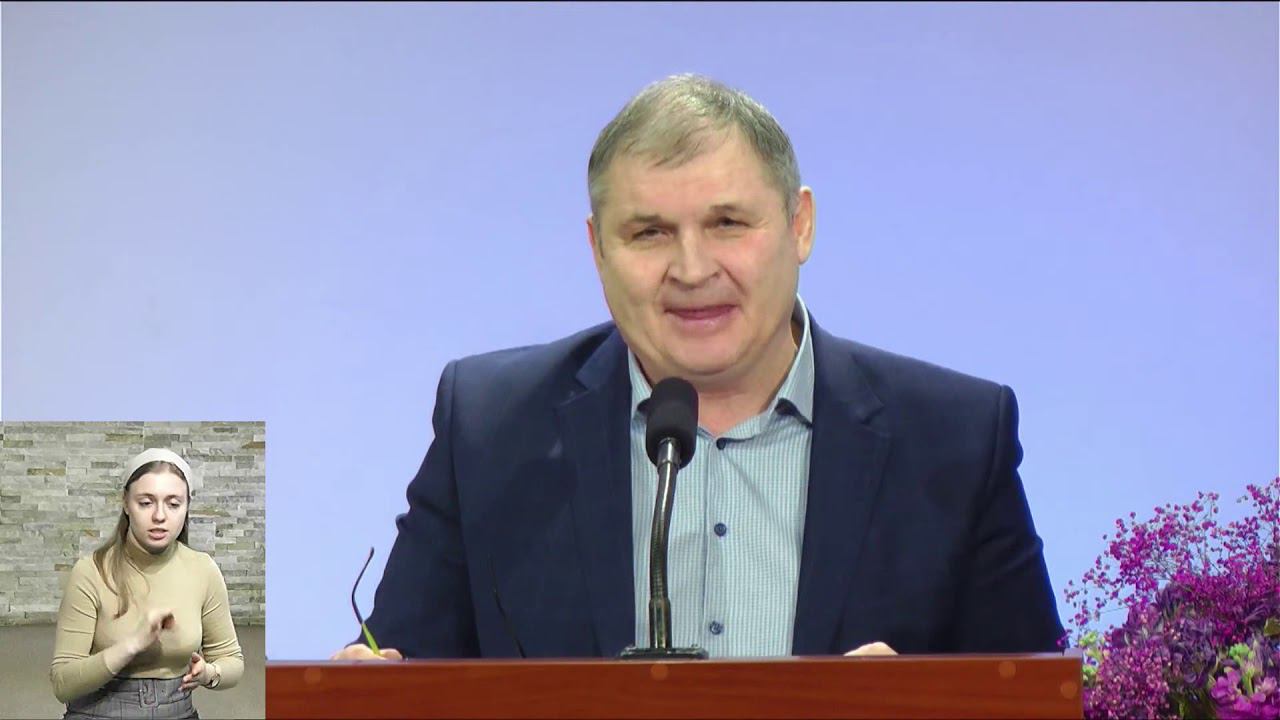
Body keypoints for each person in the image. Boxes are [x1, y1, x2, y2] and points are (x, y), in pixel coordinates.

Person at [332, 73, 1063, 661]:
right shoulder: (490, 428)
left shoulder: (957, 439)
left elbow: (1038, 701)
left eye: (727, 224)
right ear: (597, 249)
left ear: (800, 225)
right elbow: (398, 675)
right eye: (649, 232)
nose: (691, 268)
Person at [50, 448, 244, 719]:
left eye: (173, 504)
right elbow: (62, 683)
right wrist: (131, 645)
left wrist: (210, 673)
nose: (159, 516)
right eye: (145, 503)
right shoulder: (90, 571)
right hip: (98, 712)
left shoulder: (203, 570)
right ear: (126, 503)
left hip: (178, 711)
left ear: (187, 506)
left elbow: (232, 661)